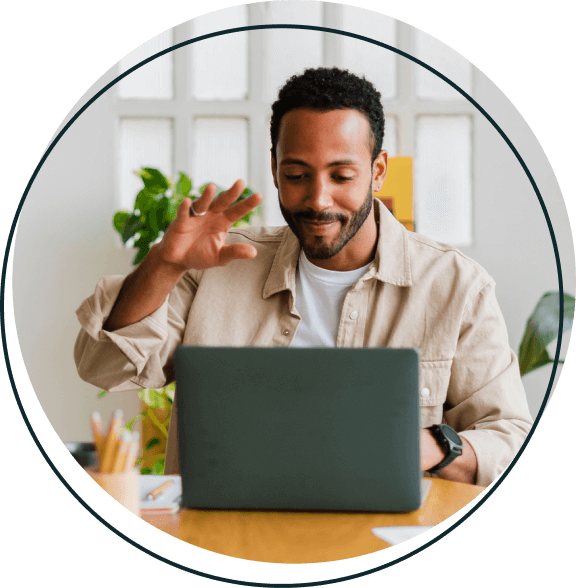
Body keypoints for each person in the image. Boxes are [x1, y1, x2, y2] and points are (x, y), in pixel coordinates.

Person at [75, 67, 533, 487]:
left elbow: (508, 437)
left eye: (342, 175)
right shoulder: (218, 265)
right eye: (297, 174)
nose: (318, 199)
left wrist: (433, 446)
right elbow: (101, 365)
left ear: (377, 171)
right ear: (275, 168)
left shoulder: (456, 285)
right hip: (225, 538)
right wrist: (164, 265)